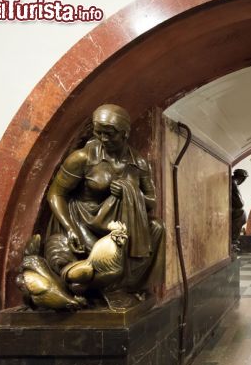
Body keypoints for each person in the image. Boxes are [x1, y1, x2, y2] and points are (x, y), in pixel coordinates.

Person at [45, 103, 164, 295]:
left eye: (110, 134)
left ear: (125, 133)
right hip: (85, 220)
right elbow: (56, 193)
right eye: (99, 133)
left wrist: (133, 190)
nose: (103, 139)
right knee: (105, 257)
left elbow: (152, 201)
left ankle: (130, 287)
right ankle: (91, 288)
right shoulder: (83, 158)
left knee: (158, 228)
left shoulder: (138, 163)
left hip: (121, 223)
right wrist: (70, 227)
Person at [231, 168, 248, 251]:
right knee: (241, 213)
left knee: (242, 215)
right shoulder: (233, 182)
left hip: (231, 208)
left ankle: (234, 240)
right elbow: (240, 203)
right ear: (242, 178)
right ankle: (233, 240)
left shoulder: (232, 182)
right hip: (231, 209)